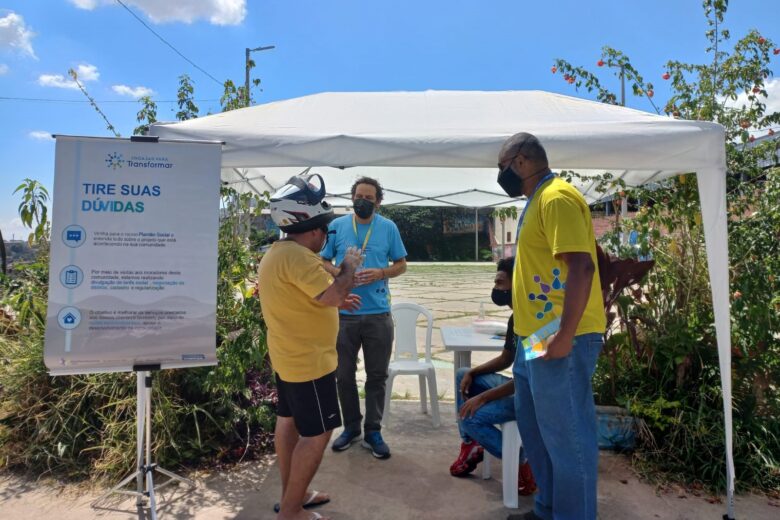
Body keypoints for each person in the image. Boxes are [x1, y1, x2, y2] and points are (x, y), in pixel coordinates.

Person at [497, 133, 606, 520]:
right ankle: (548, 510)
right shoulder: (536, 201)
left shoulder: (556, 198)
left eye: (502, 165)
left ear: (522, 161)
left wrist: (563, 336)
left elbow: (582, 266)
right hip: (535, 338)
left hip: (564, 335)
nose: (500, 173)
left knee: (568, 438)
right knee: (538, 431)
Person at [258, 174, 362, 520]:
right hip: (309, 362)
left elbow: (315, 296)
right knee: (317, 434)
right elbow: (331, 290)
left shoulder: (279, 252)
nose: (324, 237)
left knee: (288, 423)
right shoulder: (300, 257)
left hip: (289, 359)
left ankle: (294, 496)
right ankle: (291, 512)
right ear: (312, 228)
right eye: (324, 231)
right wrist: (349, 267)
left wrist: (336, 300)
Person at [321, 177, 408, 459]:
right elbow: (321, 260)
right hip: (343, 314)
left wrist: (381, 273)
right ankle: (351, 428)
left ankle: (373, 431)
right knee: (343, 375)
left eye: (369, 197)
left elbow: (402, 264)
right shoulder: (336, 226)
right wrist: (340, 272)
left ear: (378, 201)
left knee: (377, 376)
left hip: (378, 314)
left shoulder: (388, 227)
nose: (363, 201)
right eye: (359, 195)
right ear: (352, 198)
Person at [449, 256, 536, 497]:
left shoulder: (536, 323)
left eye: (500, 283)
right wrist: (474, 372)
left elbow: (526, 379)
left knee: (470, 417)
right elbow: (507, 359)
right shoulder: (515, 318)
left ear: (516, 284)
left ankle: (524, 462)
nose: (496, 289)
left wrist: (483, 398)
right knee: (462, 374)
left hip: (530, 397)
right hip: (518, 387)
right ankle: (471, 444)